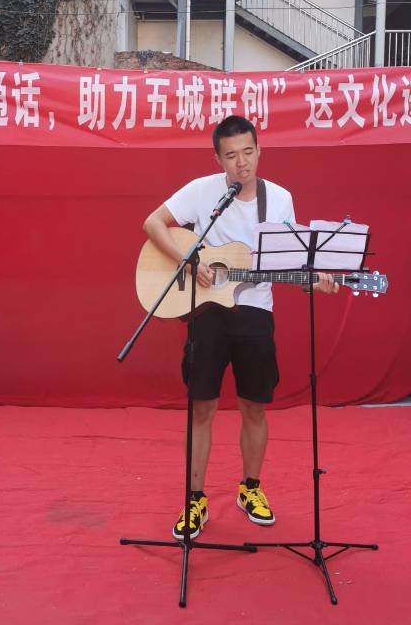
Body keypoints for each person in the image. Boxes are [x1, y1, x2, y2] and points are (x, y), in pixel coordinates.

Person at [142, 115, 339, 540]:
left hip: (256, 312)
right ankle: (195, 499)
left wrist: (315, 280)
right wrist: (187, 261)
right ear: (218, 159)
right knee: (202, 407)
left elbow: (291, 264)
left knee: (254, 406)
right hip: (207, 313)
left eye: (248, 152)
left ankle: (250, 487)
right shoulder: (202, 191)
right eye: (231, 155)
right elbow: (153, 223)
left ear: (259, 151)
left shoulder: (279, 200)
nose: (242, 163)